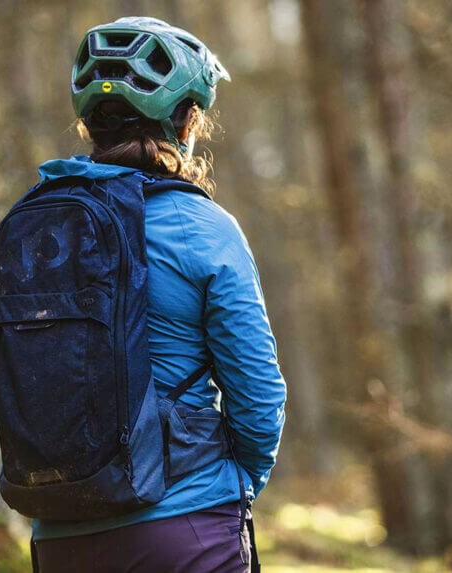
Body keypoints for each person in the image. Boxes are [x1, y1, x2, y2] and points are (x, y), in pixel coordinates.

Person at [29, 17, 286, 572]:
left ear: (89, 126)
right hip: (185, 525)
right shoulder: (203, 228)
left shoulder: (35, 225)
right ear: (186, 120)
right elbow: (258, 392)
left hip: (57, 535)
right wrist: (236, 483)